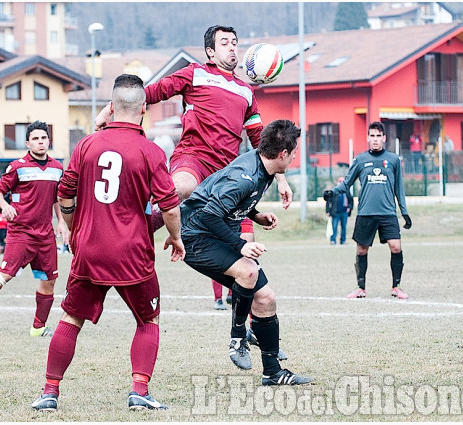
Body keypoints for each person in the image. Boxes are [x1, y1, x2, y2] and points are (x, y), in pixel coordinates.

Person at [95, 24, 293, 314]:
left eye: (235, 42)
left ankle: (252, 324)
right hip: (194, 158)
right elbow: (151, 92)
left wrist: (282, 176)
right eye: (224, 43)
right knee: (180, 188)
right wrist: (110, 110)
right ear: (210, 52)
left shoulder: (247, 92)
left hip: (227, 176)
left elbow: (261, 140)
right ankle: (127, 237)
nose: (232, 47)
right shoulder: (194, 73)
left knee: (248, 254)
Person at [31, 75, 185, 412]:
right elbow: (170, 205)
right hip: (132, 253)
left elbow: (65, 192)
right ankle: (139, 390)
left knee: (71, 318)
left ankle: (49, 392)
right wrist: (175, 237)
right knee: (149, 320)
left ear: (111, 107)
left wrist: (71, 228)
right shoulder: (150, 150)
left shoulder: (87, 144)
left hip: (89, 250)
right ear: (144, 109)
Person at [180, 119, 311, 386]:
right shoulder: (245, 176)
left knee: (266, 298)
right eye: (294, 152)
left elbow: (234, 201)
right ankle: (238, 337)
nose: (295, 157)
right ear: (283, 154)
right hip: (197, 237)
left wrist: (257, 215)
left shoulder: (263, 169)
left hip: (216, 230)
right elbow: (208, 215)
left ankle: (272, 373)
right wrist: (241, 244)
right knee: (248, 270)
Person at [0, 121, 69, 338]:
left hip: (45, 235)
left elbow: (57, 197)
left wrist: (61, 222)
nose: (40, 142)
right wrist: (5, 205)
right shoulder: (17, 166)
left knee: (49, 280)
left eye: (43, 138)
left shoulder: (57, 168)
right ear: (28, 143)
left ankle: (38, 327)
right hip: (21, 233)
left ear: (48, 140)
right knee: (4, 275)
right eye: (35, 139)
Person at [323, 121, 412, 299]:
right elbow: (346, 183)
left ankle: (396, 286)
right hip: (365, 213)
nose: (376, 139)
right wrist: (332, 192)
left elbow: (399, 189)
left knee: (396, 247)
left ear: (384, 138)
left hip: (388, 213)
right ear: (368, 138)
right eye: (372, 136)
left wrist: (404, 212)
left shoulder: (393, 160)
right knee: (362, 250)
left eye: (379, 136)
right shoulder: (360, 160)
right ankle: (360, 288)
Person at [325, 176, 353, 245]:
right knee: (334, 227)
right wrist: (328, 211)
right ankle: (333, 240)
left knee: (344, 227)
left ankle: (343, 240)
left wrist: (349, 208)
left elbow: (350, 200)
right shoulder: (334, 191)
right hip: (335, 212)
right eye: (340, 182)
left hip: (344, 212)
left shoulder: (347, 191)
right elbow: (328, 201)